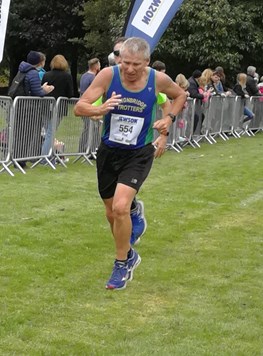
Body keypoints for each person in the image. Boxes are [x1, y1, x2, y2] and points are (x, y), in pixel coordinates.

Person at [74, 37, 186, 290]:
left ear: (147, 62)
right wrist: (99, 110)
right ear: (118, 59)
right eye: (125, 63)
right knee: (111, 213)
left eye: (136, 64)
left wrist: (167, 121)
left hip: (138, 153)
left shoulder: (157, 79)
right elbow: (79, 108)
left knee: (120, 207)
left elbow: (180, 95)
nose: (130, 69)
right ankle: (131, 245)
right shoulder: (107, 75)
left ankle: (121, 263)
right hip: (109, 152)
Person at [12, 50, 54, 168]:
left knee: (19, 133)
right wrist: (45, 90)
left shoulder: (22, 71)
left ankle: (17, 158)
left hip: (19, 106)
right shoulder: (33, 73)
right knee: (27, 134)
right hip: (29, 108)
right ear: (40, 62)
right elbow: (37, 92)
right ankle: (21, 161)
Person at [41, 54, 74, 156]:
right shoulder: (67, 76)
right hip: (59, 107)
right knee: (51, 132)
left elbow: (42, 89)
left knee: (48, 132)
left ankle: (46, 155)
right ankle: (45, 157)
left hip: (46, 106)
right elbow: (70, 94)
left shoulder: (46, 75)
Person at [78, 58, 101, 153]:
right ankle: (89, 149)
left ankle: (85, 148)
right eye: (99, 64)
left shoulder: (84, 76)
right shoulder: (93, 78)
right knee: (91, 128)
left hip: (83, 104)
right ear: (95, 66)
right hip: (90, 106)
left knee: (87, 128)